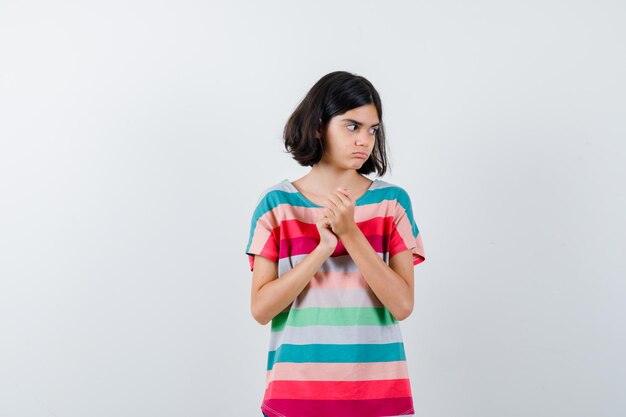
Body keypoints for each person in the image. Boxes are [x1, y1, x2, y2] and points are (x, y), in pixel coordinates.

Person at [245, 70, 426, 417]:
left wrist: (350, 233)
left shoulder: (392, 203)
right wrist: (322, 250)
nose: (365, 140)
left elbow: (402, 305)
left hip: (378, 398)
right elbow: (261, 309)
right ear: (317, 127)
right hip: (295, 398)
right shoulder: (276, 205)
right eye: (351, 126)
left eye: (372, 130)